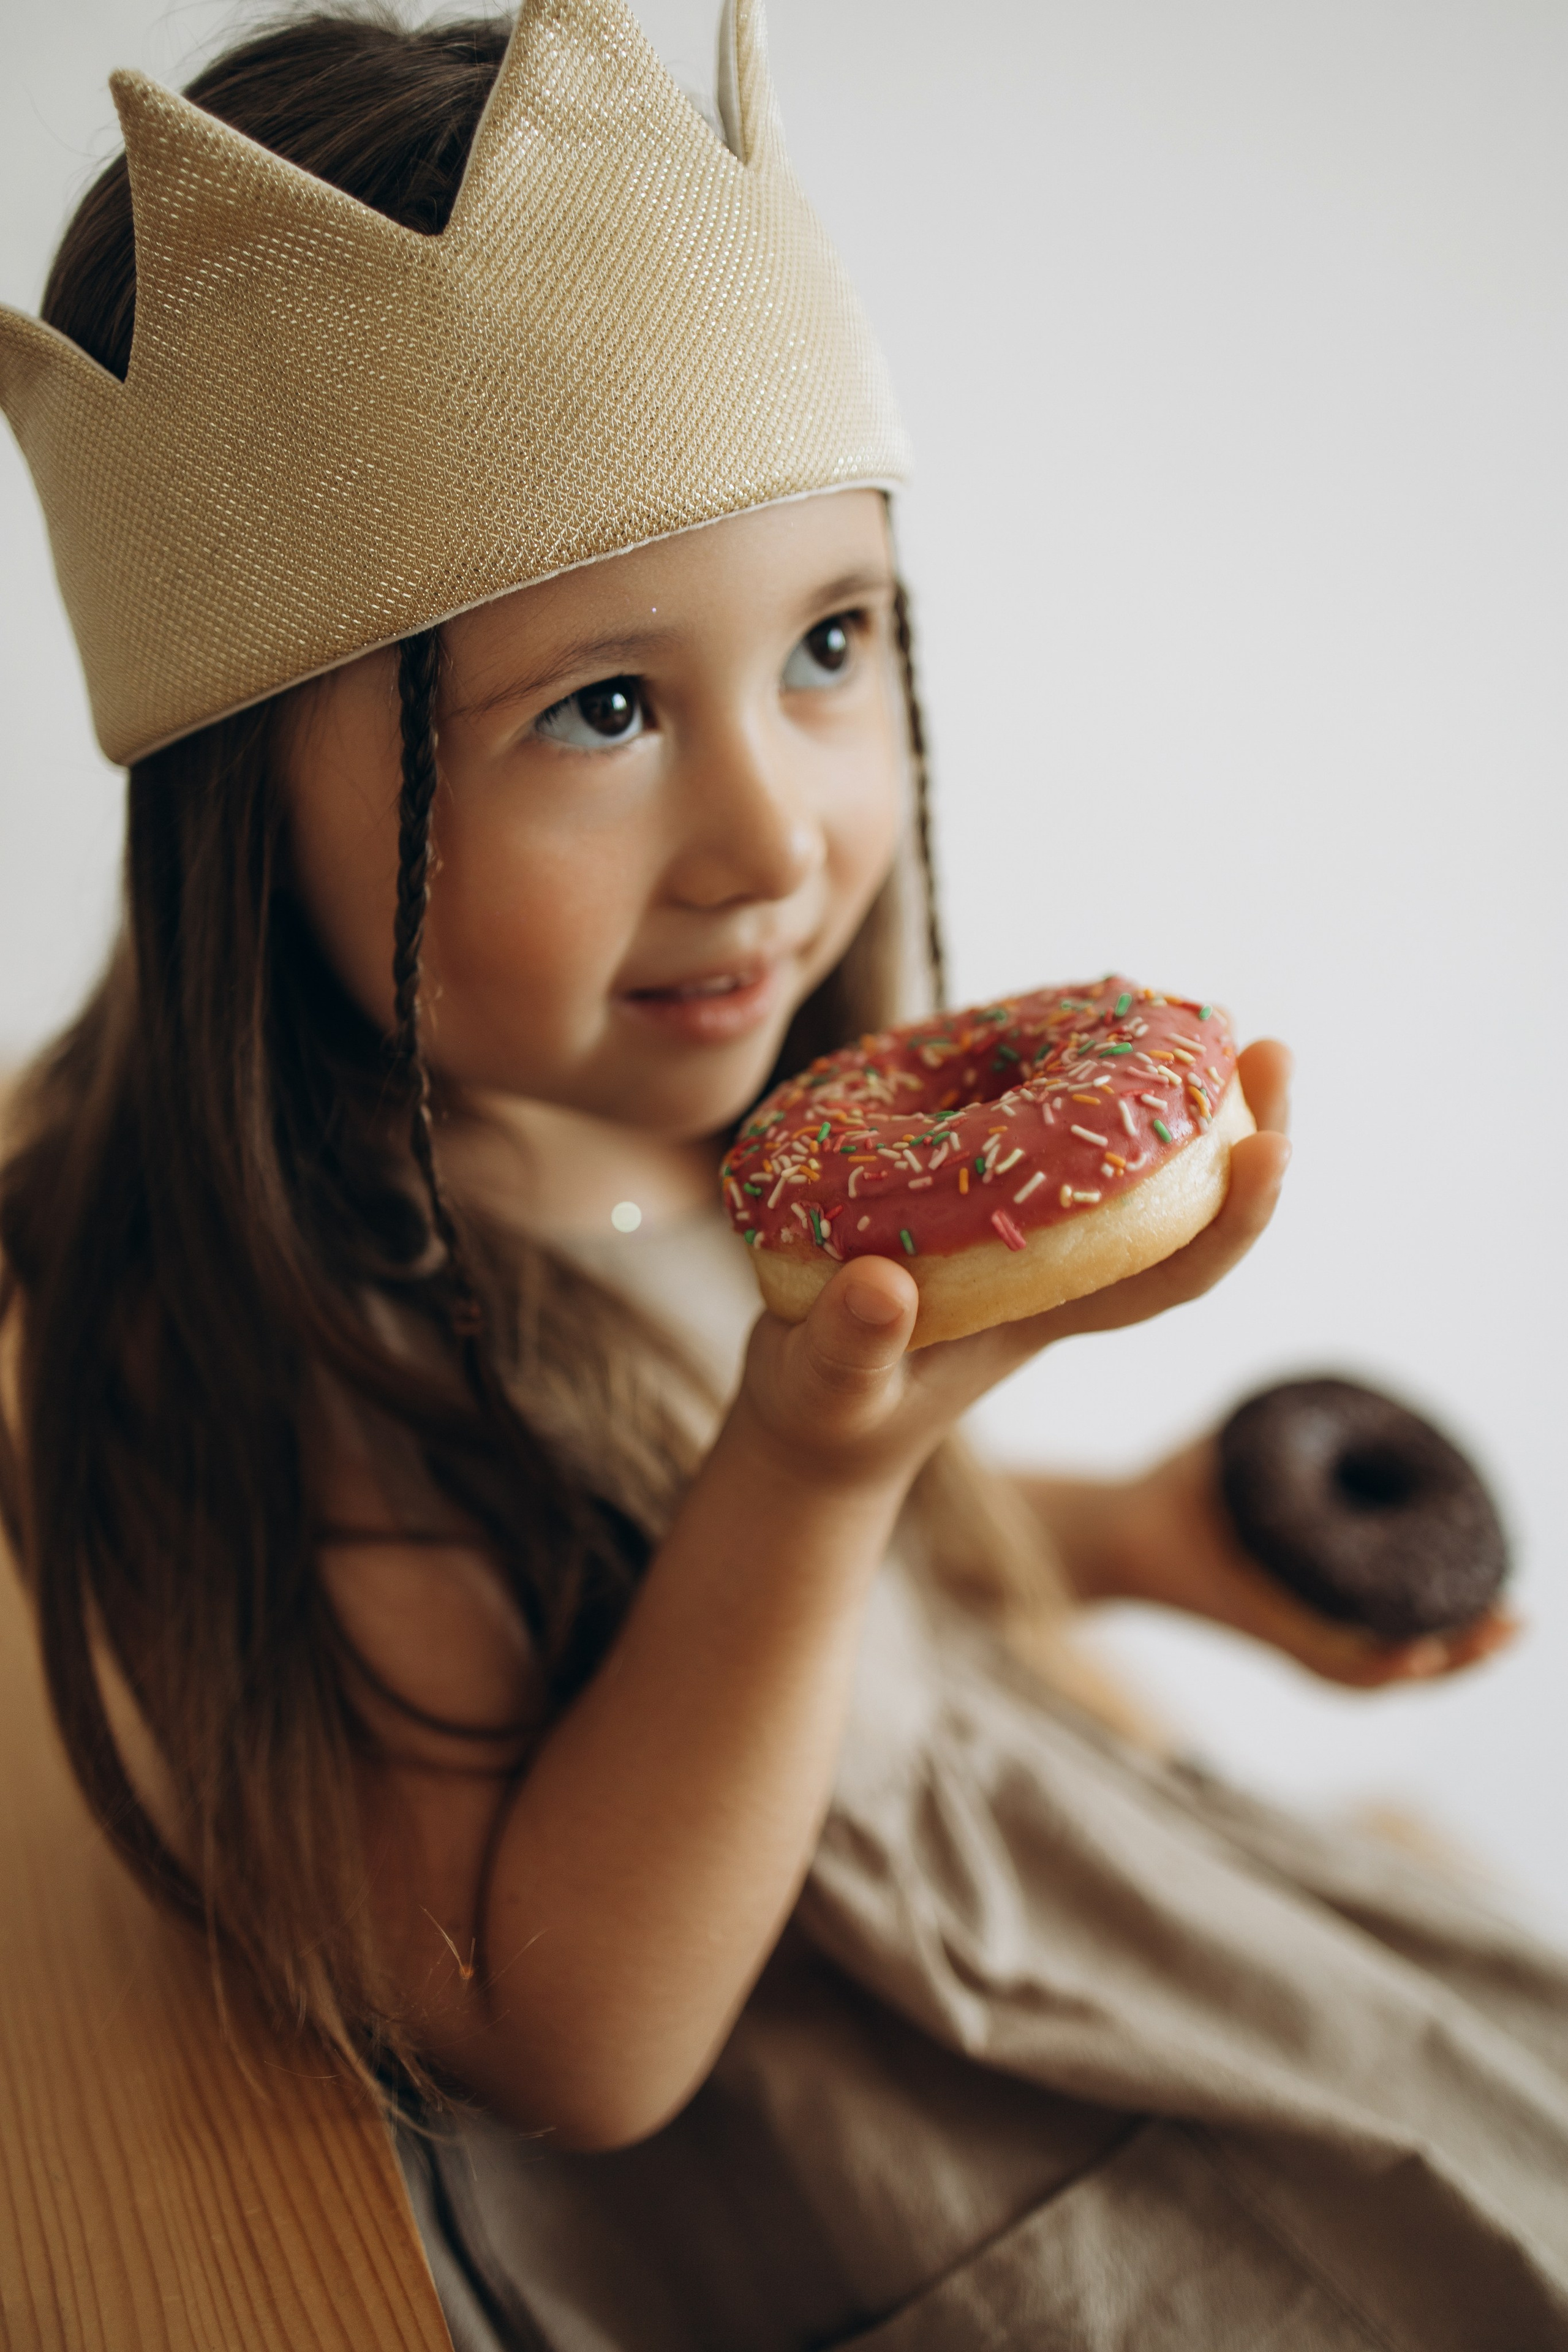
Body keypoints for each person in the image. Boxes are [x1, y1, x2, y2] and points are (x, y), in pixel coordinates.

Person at [0, 8, 1562, 2347]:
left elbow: (744, 1582)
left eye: (831, 644)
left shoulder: (685, 1139)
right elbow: (571, 2036)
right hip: (895, 2149)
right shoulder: (301, 1335)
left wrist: (1126, 1539)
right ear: (243, 792)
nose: (771, 836)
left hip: (1104, 1927)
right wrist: (815, 1466)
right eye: (605, 708)